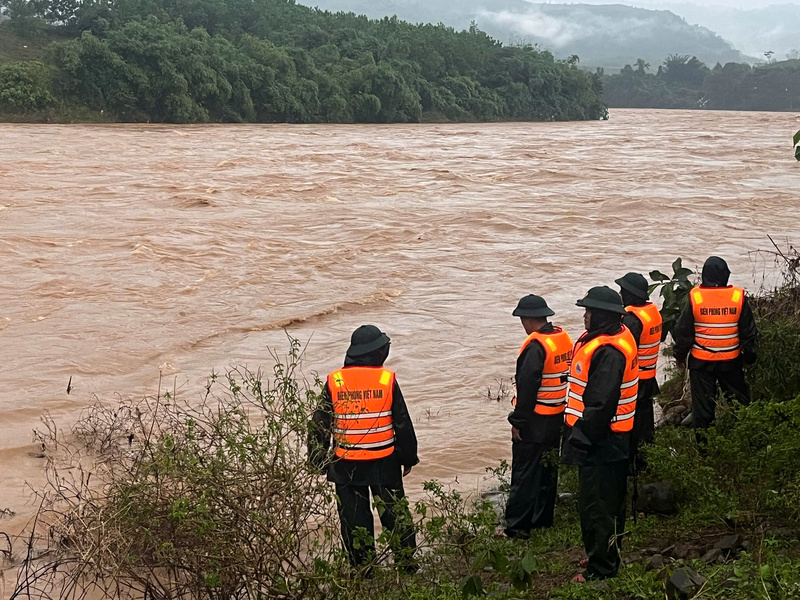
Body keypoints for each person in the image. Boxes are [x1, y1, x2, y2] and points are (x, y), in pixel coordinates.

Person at [308, 325, 418, 572]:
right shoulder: (386, 379)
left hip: (346, 464)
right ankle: (407, 565)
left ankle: (363, 570)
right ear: (378, 352)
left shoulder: (335, 381)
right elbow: (401, 422)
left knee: (354, 520)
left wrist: (317, 460)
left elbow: (320, 424)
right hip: (384, 460)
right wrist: (408, 457)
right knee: (395, 516)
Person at [562, 286, 639, 582]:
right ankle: (604, 553)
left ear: (603, 316)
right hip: (613, 439)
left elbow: (600, 404)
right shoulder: (614, 339)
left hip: (601, 440)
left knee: (598, 506)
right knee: (610, 502)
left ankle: (601, 569)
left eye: (589, 312)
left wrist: (580, 438)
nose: (584, 317)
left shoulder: (608, 352)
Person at [503, 294, 573, 538]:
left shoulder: (535, 346)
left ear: (527, 319)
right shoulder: (563, 338)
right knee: (547, 471)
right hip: (558, 415)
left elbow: (528, 388)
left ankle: (517, 527)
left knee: (524, 473)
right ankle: (543, 519)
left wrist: (517, 422)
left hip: (534, 419)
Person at [673, 256, 758, 437]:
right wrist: (749, 358)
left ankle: (704, 451)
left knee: (703, 411)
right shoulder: (737, 296)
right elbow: (748, 332)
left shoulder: (695, 297)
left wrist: (679, 357)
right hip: (731, 361)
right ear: (726, 275)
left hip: (701, 363)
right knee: (740, 404)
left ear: (704, 276)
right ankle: (747, 441)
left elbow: (683, 332)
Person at [616, 272, 662, 448]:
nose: (620, 294)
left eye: (622, 291)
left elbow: (623, 354)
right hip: (648, 377)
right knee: (645, 425)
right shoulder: (652, 313)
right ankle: (648, 461)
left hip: (634, 382)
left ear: (629, 294)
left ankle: (636, 466)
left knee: (632, 428)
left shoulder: (631, 320)